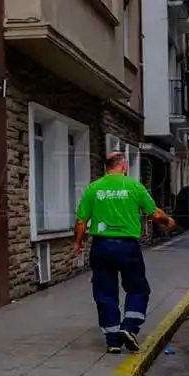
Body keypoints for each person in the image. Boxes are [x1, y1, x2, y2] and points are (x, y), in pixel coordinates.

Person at [74, 151, 177, 354]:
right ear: (123, 165)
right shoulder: (133, 186)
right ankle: (129, 327)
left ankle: (113, 340)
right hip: (127, 247)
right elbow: (154, 212)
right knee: (138, 288)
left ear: (107, 166)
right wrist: (168, 221)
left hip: (101, 246)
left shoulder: (94, 188)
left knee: (105, 292)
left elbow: (81, 221)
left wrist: (78, 243)